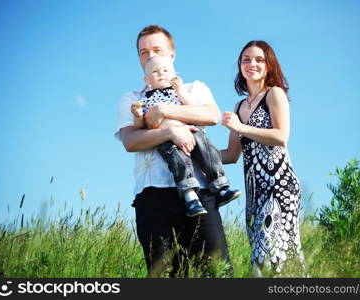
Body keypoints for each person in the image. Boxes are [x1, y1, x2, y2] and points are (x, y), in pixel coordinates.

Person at [115, 25, 233, 277]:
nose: (150, 55)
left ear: (172, 55)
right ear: (139, 60)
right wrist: (170, 132)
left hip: (201, 192)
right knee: (166, 277)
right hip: (153, 196)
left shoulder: (193, 88)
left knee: (217, 274)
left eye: (157, 49)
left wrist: (164, 112)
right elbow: (130, 141)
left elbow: (210, 115)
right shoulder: (133, 99)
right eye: (143, 52)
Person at [221, 40, 305, 276]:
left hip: (279, 186)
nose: (252, 64)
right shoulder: (238, 107)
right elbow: (230, 155)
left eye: (259, 59)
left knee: (273, 254)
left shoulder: (274, 94)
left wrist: (241, 127)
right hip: (255, 192)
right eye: (246, 59)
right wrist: (196, 148)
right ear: (240, 66)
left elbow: (281, 137)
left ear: (269, 66)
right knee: (262, 260)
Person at [131, 56, 241, 218]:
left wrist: (181, 91)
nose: (161, 74)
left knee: (207, 151)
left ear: (175, 74)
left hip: (191, 129)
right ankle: (191, 197)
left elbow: (194, 109)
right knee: (178, 162)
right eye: (155, 72)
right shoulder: (144, 99)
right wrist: (137, 115)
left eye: (166, 71)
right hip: (166, 138)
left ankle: (220, 187)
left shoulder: (178, 93)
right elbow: (141, 125)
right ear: (147, 79)